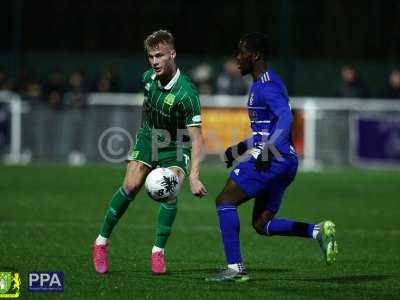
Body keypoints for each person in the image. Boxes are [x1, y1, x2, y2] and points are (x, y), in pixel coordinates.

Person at [206, 33, 338, 282]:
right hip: (284, 161)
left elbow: (287, 119)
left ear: (255, 55)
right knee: (261, 224)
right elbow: (266, 129)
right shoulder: (263, 84)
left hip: (274, 159)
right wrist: (240, 147)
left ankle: (235, 269)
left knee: (225, 200)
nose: (237, 58)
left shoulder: (268, 86)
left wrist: (267, 150)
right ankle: (317, 231)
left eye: (241, 52)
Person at [92, 30, 207, 275]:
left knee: (171, 187)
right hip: (149, 137)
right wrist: (144, 143)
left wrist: (194, 176)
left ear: (172, 54)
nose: (154, 61)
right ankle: (101, 242)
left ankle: (158, 251)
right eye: (151, 56)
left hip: (176, 144)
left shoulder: (187, 94)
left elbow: (197, 139)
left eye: (159, 55)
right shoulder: (147, 78)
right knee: (131, 186)